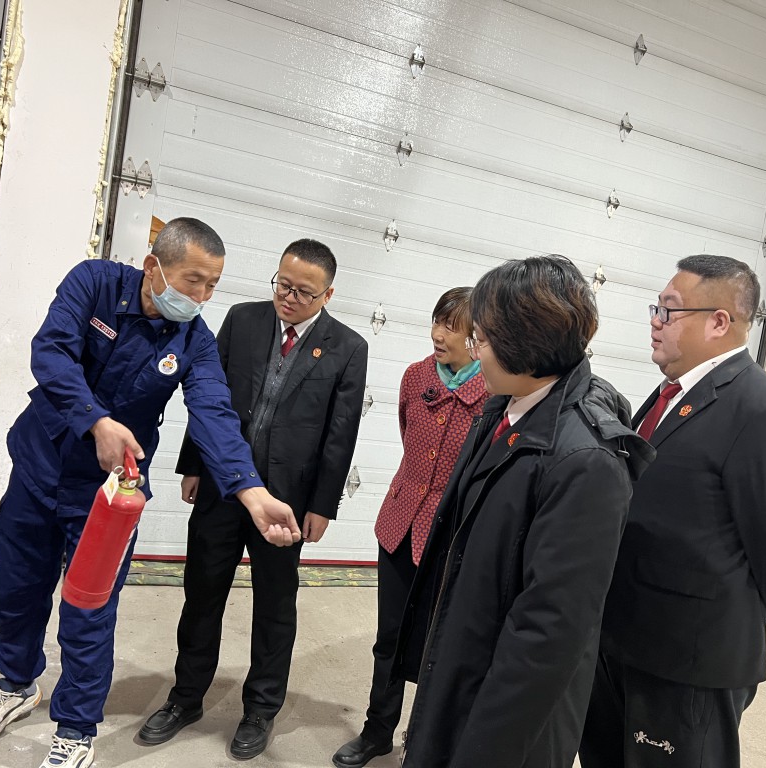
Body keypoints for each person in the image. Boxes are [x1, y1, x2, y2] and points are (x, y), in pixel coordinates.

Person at [0, 218, 300, 768]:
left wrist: (252, 493)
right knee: (18, 588)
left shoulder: (195, 342)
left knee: (88, 609)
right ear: (153, 267)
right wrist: (96, 421)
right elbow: (51, 352)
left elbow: (215, 415)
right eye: (193, 281)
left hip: (109, 499)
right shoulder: (93, 283)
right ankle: (16, 685)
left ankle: (75, 730)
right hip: (39, 468)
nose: (201, 297)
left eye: (212, 285)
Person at [392, 255, 654, 768]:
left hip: (505, 721)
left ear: (525, 347)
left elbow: (549, 635)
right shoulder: (505, 406)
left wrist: (482, 752)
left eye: (482, 340)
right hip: (465, 664)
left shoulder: (586, 462)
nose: (473, 350)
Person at [578, 255, 766, 768]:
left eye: (669, 311)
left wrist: (733, 616)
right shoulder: (668, 397)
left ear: (719, 322)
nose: (655, 322)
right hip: (621, 642)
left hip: (689, 661)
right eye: (656, 309)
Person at [138, 239, 368, 759]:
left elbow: (341, 434)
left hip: (288, 502)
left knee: (275, 605)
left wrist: (322, 506)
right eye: (283, 284)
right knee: (202, 594)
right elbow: (208, 398)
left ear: (328, 295)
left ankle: (261, 708)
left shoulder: (348, 348)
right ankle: (185, 697)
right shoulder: (242, 320)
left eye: (304, 292)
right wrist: (194, 464)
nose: (289, 297)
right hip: (222, 488)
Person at [332, 288, 489, 768]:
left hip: (453, 537)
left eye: (451, 327)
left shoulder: (494, 393)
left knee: (440, 648)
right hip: (400, 525)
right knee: (390, 638)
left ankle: (423, 742)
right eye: (436, 321)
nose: (438, 334)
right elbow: (408, 436)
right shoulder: (416, 377)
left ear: (477, 337)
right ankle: (377, 731)